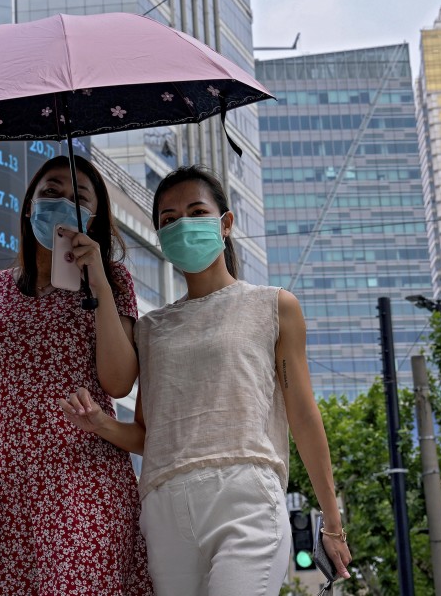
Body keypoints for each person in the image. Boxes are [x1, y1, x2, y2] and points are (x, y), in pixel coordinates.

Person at [60, 165, 353, 596]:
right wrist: (101, 424)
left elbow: (303, 416)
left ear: (226, 223)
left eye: (196, 212)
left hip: (245, 495)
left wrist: (332, 523)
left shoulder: (273, 306)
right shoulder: (151, 329)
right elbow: (148, 433)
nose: (183, 225)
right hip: (163, 506)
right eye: (169, 220)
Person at [0, 155, 154, 595]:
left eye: (79, 199)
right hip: (9, 486)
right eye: (51, 192)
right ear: (27, 207)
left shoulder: (112, 279)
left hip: (86, 483)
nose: (62, 203)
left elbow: (118, 382)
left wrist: (99, 286)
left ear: (95, 219)